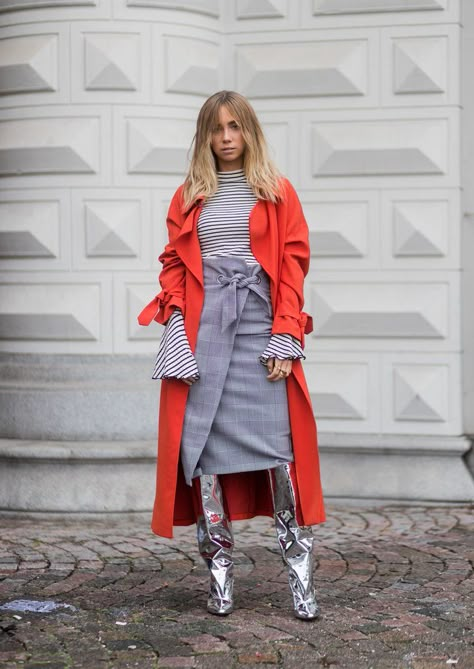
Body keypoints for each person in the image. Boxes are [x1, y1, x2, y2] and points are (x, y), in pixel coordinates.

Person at [138, 90, 325, 620]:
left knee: (281, 460)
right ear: (205, 136)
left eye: (235, 127)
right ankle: (219, 578)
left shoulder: (278, 192)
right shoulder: (189, 195)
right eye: (216, 129)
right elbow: (174, 264)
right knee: (207, 462)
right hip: (204, 337)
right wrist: (175, 322)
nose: (226, 138)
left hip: (260, 331)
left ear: (249, 132)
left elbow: (292, 268)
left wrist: (285, 335)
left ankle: (301, 578)